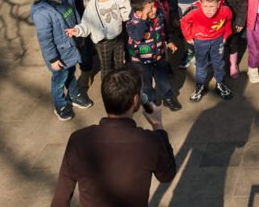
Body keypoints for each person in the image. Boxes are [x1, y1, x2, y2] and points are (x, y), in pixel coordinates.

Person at [51, 65, 177, 207]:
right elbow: (167, 175)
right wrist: (158, 125)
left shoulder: (79, 140)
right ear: (135, 100)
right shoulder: (150, 142)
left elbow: (60, 199)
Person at [32, 0, 93, 121]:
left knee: (70, 72)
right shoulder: (42, 13)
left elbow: (76, 18)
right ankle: (60, 104)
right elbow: (45, 40)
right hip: (58, 55)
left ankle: (73, 94)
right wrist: (53, 59)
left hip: (71, 48)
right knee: (59, 79)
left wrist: (80, 35)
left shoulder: (68, 0)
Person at [180, 0, 234, 101]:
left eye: (212, 6)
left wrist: (226, 35)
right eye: (205, 6)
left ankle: (220, 84)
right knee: (201, 65)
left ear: (218, 4)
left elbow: (228, 21)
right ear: (200, 3)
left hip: (217, 40)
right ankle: (200, 85)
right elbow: (184, 21)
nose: (208, 10)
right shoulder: (194, 10)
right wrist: (188, 36)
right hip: (200, 41)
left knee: (219, 63)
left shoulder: (225, 10)